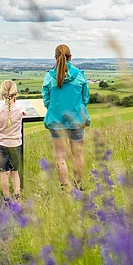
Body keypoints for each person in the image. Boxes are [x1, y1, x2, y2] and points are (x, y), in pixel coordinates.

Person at [42, 44, 90, 190]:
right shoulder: (80, 75)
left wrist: (56, 109)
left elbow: (46, 100)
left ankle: (65, 189)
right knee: (78, 155)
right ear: (71, 56)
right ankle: (78, 186)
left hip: (56, 122)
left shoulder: (49, 77)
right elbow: (85, 98)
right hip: (77, 120)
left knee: (60, 156)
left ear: (55, 57)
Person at [0, 80, 26, 205]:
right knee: (15, 172)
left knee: (4, 173)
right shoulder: (21, 109)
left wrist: (0, 139)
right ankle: (17, 196)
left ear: (2, 95)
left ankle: (7, 199)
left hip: (2, 145)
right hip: (16, 144)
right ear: (15, 94)